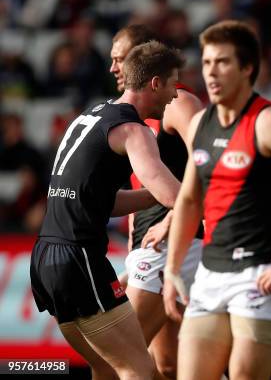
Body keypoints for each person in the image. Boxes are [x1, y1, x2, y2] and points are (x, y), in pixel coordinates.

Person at [161, 20, 271, 380]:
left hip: (258, 276)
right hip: (209, 273)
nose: (211, 72)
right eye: (206, 63)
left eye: (222, 62)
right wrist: (173, 269)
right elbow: (190, 199)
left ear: (247, 68)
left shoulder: (270, 122)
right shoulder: (201, 122)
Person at [30, 41, 184, 380]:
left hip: (46, 258)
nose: (176, 94)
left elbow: (100, 200)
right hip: (79, 259)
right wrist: (219, 195)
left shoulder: (90, 115)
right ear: (155, 83)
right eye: (174, 83)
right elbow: (174, 195)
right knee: (137, 369)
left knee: (108, 368)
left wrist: (149, 197)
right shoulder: (134, 130)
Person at [110, 24, 205, 379]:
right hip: (149, 244)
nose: (114, 68)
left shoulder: (177, 101)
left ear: (141, 58)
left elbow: (213, 159)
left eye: (119, 59)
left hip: (168, 240)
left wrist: (173, 218)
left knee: (118, 360)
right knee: (168, 366)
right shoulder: (132, 114)